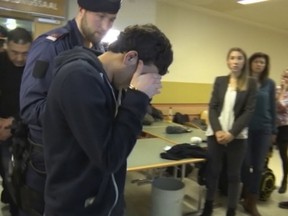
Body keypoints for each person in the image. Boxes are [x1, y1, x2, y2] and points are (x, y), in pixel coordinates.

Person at [43, 23, 173, 216]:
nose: (138, 83)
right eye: (143, 76)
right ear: (130, 57)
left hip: (103, 203)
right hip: (76, 207)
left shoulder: (107, 81)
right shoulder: (79, 77)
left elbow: (116, 143)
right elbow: (108, 157)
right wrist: (138, 97)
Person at [19, 0, 121, 215]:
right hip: (47, 157)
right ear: (81, 10)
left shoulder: (99, 51)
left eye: (111, 19)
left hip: (83, 155)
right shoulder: (51, 46)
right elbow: (30, 108)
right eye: (100, 16)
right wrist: (77, 113)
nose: (105, 26)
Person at [201, 47, 257, 216]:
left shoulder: (251, 83)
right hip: (215, 135)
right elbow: (212, 107)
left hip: (237, 136)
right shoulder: (219, 81)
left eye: (239, 58)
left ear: (244, 62)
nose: (235, 61)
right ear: (227, 61)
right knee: (213, 172)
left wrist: (232, 133)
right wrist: (218, 130)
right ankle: (208, 206)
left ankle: (231, 210)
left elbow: (249, 111)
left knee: (234, 175)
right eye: (232, 58)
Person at [0, 27, 32, 216]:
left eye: (25, 53)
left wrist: (14, 122)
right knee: (7, 175)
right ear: (6, 47)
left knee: (19, 179)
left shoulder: (36, 66)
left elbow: (40, 101)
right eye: (14, 52)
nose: (20, 58)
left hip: (23, 130)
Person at [241, 52, 277, 216]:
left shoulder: (269, 83)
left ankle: (251, 202)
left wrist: (274, 130)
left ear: (265, 65)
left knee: (258, 166)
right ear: (251, 64)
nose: (259, 65)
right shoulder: (243, 82)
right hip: (246, 129)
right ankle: (247, 193)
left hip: (264, 129)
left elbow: (272, 107)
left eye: (262, 62)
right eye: (257, 61)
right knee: (244, 163)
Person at [276, 68, 288, 209]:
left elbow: (281, 106)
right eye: (284, 75)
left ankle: (285, 180)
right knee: (280, 155)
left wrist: (283, 92)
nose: (285, 78)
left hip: (286, 127)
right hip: (275, 128)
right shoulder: (276, 88)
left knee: (285, 156)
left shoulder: (282, 91)